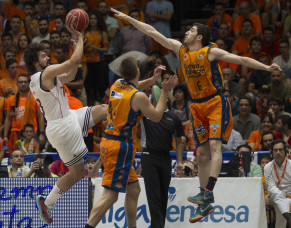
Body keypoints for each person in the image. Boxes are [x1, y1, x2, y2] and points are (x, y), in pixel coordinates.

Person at [111, 7, 281, 222]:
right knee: (200, 154)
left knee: (214, 147)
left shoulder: (210, 52)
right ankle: (205, 202)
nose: (186, 32)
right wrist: (128, 19)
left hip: (215, 102)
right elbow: (153, 32)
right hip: (197, 106)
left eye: (191, 30)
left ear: (199, 37)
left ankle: (208, 191)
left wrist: (268, 68)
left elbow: (242, 60)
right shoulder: (180, 49)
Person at [24, 25, 108, 224]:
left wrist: (74, 46)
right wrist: (79, 40)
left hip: (68, 117)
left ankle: (122, 128)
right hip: (62, 128)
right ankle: (48, 202)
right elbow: (75, 61)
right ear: (36, 62)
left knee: (104, 109)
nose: (48, 58)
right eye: (44, 56)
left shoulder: (42, 77)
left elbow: (70, 75)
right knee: (78, 173)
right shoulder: (45, 73)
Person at [85, 58, 177, 228]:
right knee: (110, 195)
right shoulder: (139, 97)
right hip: (120, 146)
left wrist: (151, 80)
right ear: (137, 71)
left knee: (134, 190)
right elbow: (156, 116)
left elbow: (134, 87)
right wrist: (165, 91)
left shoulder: (117, 84)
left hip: (112, 142)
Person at [140, 89, 185, 228]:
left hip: (165, 158)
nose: (150, 99)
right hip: (149, 157)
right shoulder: (144, 114)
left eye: (153, 97)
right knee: (154, 197)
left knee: (163, 196)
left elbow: (179, 141)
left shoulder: (174, 117)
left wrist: (179, 162)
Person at [264, 139, 291, 228]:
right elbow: (271, 188)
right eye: (275, 150)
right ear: (271, 152)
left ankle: (289, 218)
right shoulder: (268, 167)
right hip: (274, 196)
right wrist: (282, 194)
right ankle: (290, 218)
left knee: (284, 203)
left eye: (280, 150)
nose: (278, 152)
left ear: (286, 151)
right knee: (277, 194)